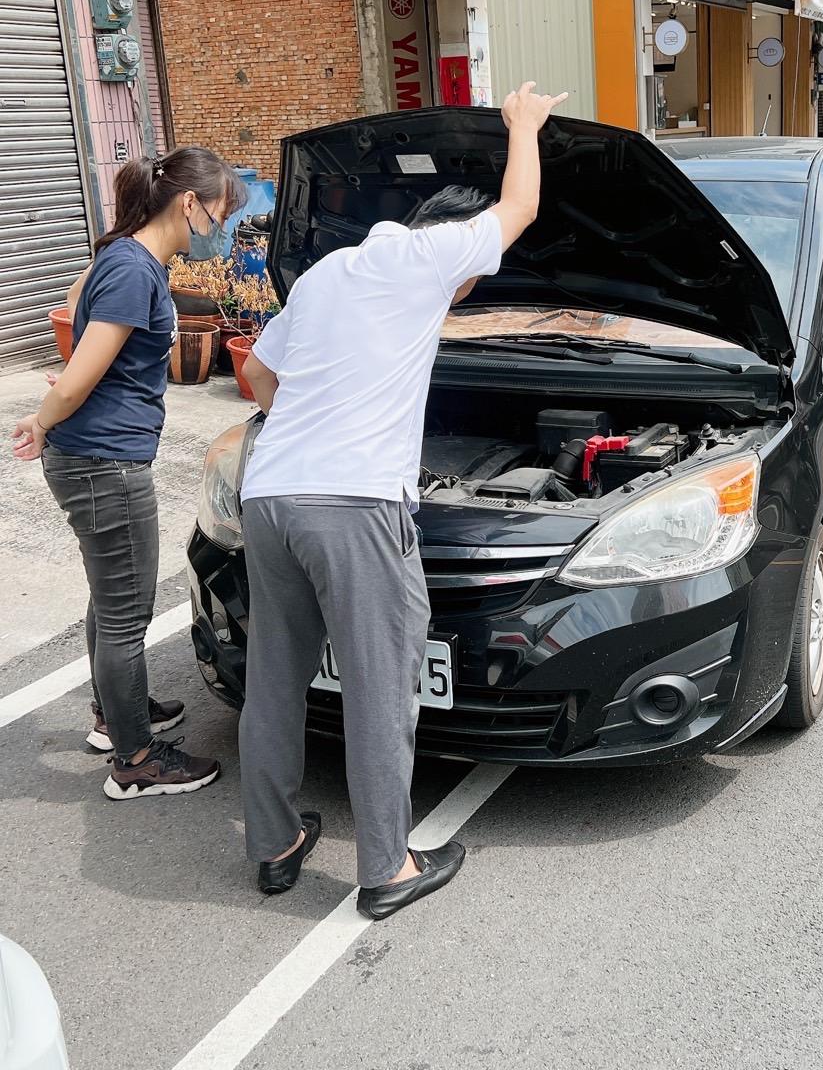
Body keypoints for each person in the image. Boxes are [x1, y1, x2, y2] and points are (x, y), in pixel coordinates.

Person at [237, 82, 567, 919]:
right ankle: (386, 868)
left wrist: (318, 422)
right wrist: (522, 126)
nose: (465, 295)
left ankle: (274, 844)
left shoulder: (325, 273)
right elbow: (521, 205)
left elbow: (256, 374)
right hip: (351, 508)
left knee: (276, 677)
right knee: (383, 685)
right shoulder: (427, 258)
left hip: (271, 495)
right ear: (449, 244)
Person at [12, 147, 245, 799]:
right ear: (189, 204)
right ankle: (136, 759)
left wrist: (70, 400)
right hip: (104, 463)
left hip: (96, 457)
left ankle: (114, 718)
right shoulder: (135, 270)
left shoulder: (122, 257)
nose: (218, 233)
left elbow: (74, 298)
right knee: (125, 612)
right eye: (219, 215)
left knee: (108, 597)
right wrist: (43, 417)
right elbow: (82, 370)